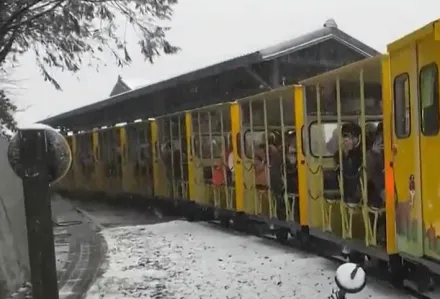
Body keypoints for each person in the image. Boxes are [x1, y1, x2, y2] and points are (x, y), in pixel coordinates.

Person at [333, 122, 362, 204]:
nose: (349, 140)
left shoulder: (363, 151)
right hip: (346, 189)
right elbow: (344, 174)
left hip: (360, 188)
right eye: (345, 136)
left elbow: (354, 172)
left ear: (358, 138)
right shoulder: (338, 154)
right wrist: (345, 153)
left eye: (352, 137)